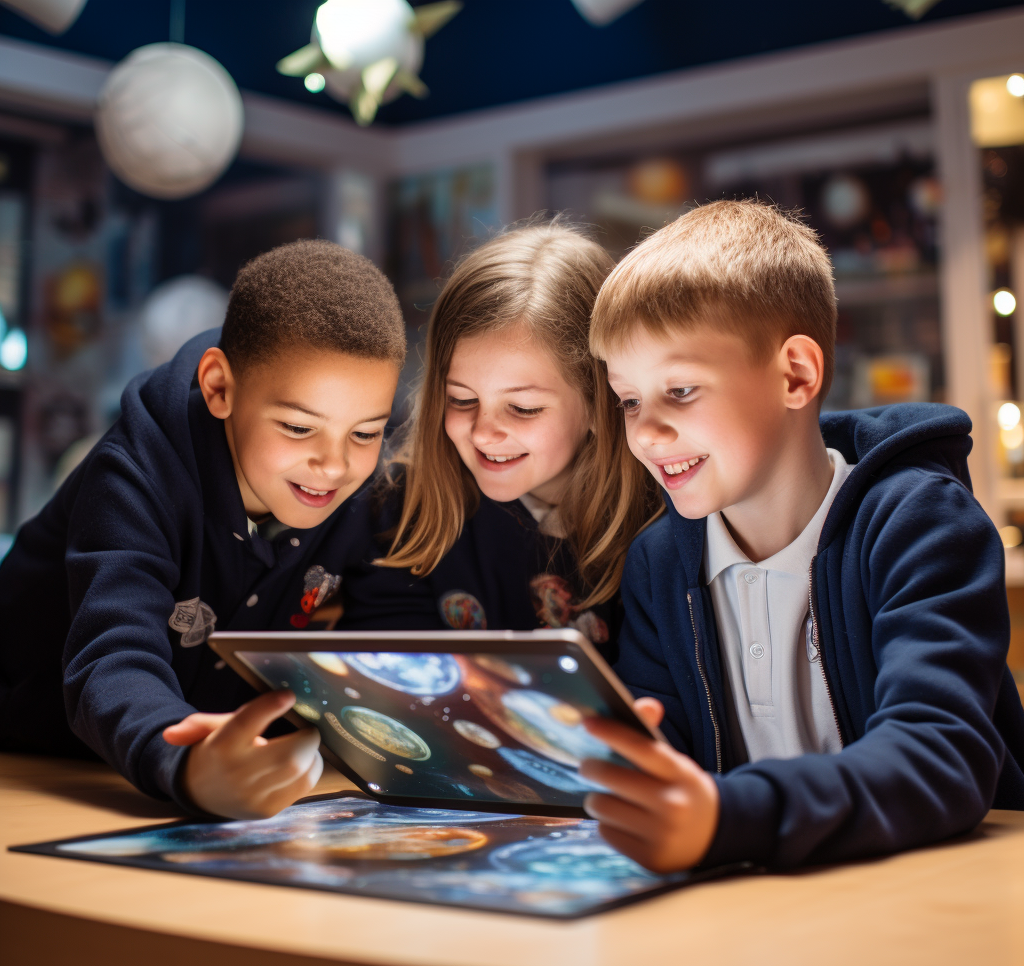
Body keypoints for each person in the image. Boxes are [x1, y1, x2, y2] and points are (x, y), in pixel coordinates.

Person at [577, 199, 1024, 873]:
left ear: (796, 375)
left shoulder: (919, 525)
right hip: (763, 902)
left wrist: (726, 818)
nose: (643, 432)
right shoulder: (659, 563)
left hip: (947, 890)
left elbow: (944, 758)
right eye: (630, 400)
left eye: (682, 391)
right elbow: (667, 758)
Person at [0, 240, 406, 819]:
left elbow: (385, 638)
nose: (335, 465)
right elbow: (113, 657)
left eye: (365, 433)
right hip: (34, 758)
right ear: (219, 387)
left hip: (197, 769)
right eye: (297, 427)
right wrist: (189, 764)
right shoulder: (134, 472)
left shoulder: (359, 492)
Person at [339, 221, 661, 658]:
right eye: (461, 399)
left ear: (599, 400)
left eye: (524, 408)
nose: (484, 431)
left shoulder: (663, 523)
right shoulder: (402, 509)